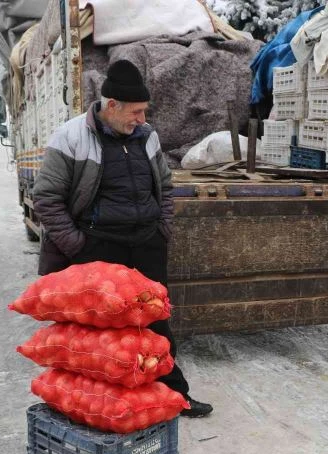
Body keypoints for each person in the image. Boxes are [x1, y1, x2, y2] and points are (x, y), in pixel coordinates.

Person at [33, 59, 213, 418]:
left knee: (156, 321)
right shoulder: (70, 137)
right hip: (99, 248)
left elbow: (164, 188)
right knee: (101, 333)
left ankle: (175, 394)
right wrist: (78, 247)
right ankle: (103, 405)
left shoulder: (147, 137)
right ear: (110, 105)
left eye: (144, 111)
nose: (142, 119)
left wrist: (162, 228)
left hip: (146, 243)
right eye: (136, 111)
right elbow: (46, 200)